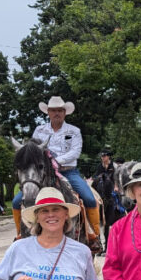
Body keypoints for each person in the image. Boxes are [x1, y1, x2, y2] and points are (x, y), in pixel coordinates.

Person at [11, 96, 101, 247]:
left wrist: (57, 161)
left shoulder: (74, 131)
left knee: (89, 198)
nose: (56, 113)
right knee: (16, 202)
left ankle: (93, 235)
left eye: (60, 110)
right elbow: (32, 152)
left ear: (65, 112)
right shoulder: (39, 130)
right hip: (42, 173)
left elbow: (75, 151)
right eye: (53, 110)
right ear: (48, 112)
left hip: (68, 172)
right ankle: (20, 234)